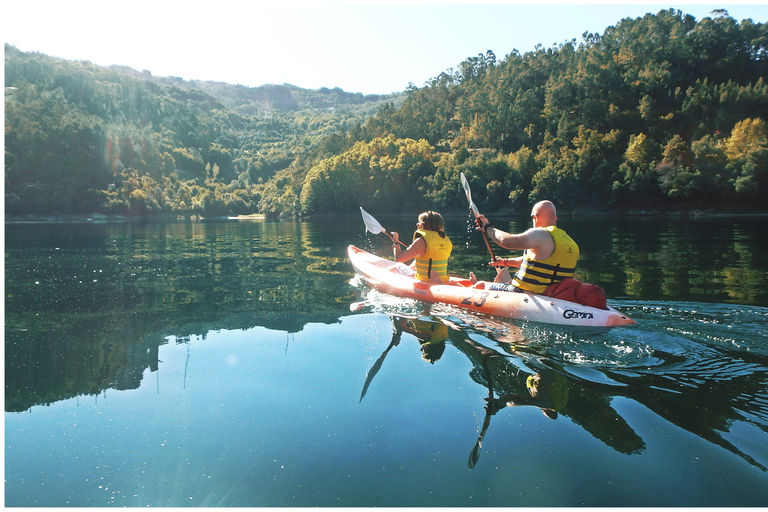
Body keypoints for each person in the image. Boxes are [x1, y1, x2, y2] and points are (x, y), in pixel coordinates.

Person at [472, 200, 579, 294]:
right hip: (553, 297)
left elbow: (506, 241)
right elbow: (536, 263)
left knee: (481, 285)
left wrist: (487, 227)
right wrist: (504, 261)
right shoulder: (571, 243)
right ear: (555, 217)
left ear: (535, 217)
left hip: (524, 293)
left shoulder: (540, 233)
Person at [391, 211, 453, 284]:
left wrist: (396, 241)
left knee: (398, 266)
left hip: (425, 281)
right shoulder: (445, 240)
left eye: (420, 222)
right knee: (414, 264)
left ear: (426, 225)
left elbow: (399, 258)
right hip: (443, 279)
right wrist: (415, 251)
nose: (417, 224)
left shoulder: (421, 241)